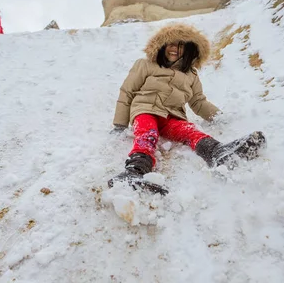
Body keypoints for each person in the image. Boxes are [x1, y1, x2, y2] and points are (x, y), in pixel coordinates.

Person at [108, 23, 265, 190]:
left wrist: (219, 116)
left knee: (190, 130)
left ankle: (217, 153)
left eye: (181, 45)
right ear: (162, 45)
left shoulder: (191, 75)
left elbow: (198, 102)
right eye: (171, 43)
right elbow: (127, 92)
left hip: (173, 116)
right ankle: (135, 171)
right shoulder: (146, 64)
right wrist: (120, 124)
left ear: (190, 49)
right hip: (145, 110)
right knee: (147, 133)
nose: (175, 49)